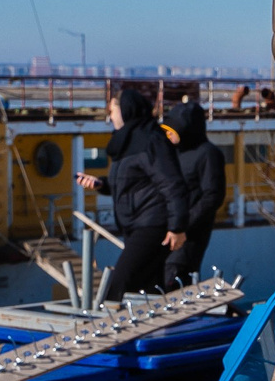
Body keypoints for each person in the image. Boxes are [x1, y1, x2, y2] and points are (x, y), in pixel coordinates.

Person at [78, 85, 189, 304]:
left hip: (153, 224)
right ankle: (158, 325)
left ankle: (106, 323)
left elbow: (172, 183)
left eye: (112, 110)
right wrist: (101, 184)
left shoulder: (151, 140)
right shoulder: (128, 142)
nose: (110, 116)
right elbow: (132, 183)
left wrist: (178, 227)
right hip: (135, 224)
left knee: (120, 284)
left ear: (125, 110)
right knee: (148, 287)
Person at [160, 99, 228, 285]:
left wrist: (182, 226)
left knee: (174, 280)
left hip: (189, 234)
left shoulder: (208, 154)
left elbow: (212, 196)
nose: (168, 133)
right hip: (166, 230)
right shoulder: (172, 153)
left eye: (172, 130)